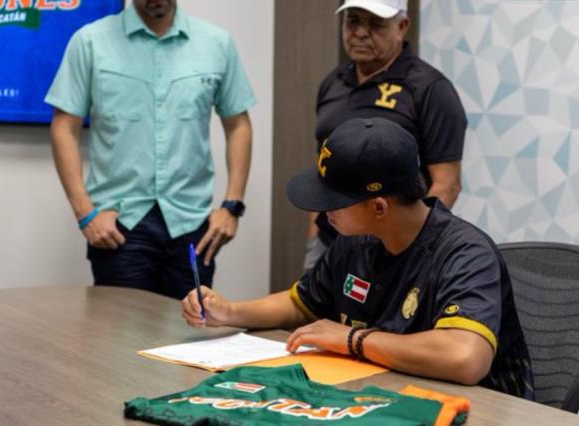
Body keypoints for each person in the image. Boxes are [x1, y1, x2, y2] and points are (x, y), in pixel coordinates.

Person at [182, 117, 534, 400]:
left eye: (333, 201)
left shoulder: (465, 253)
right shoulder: (356, 239)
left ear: (379, 206)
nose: (322, 211)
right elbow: (302, 304)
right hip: (384, 399)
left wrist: (352, 340)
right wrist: (230, 312)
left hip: (480, 411)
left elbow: (465, 358)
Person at [45, 0, 255, 299]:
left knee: (188, 338)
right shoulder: (90, 41)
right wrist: (85, 214)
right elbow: (64, 127)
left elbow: (238, 125)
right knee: (117, 343)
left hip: (193, 224)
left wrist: (232, 207)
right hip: (119, 224)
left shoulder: (216, 43)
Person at [305, 0, 467, 271]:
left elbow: (447, 184)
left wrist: (410, 249)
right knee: (308, 312)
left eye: (375, 23)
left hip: (392, 249)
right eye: (353, 20)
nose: (360, 32)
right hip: (328, 242)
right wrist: (313, 241)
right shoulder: (332, 83)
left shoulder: (430, 89)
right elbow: (325, 171)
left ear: (402, 26)